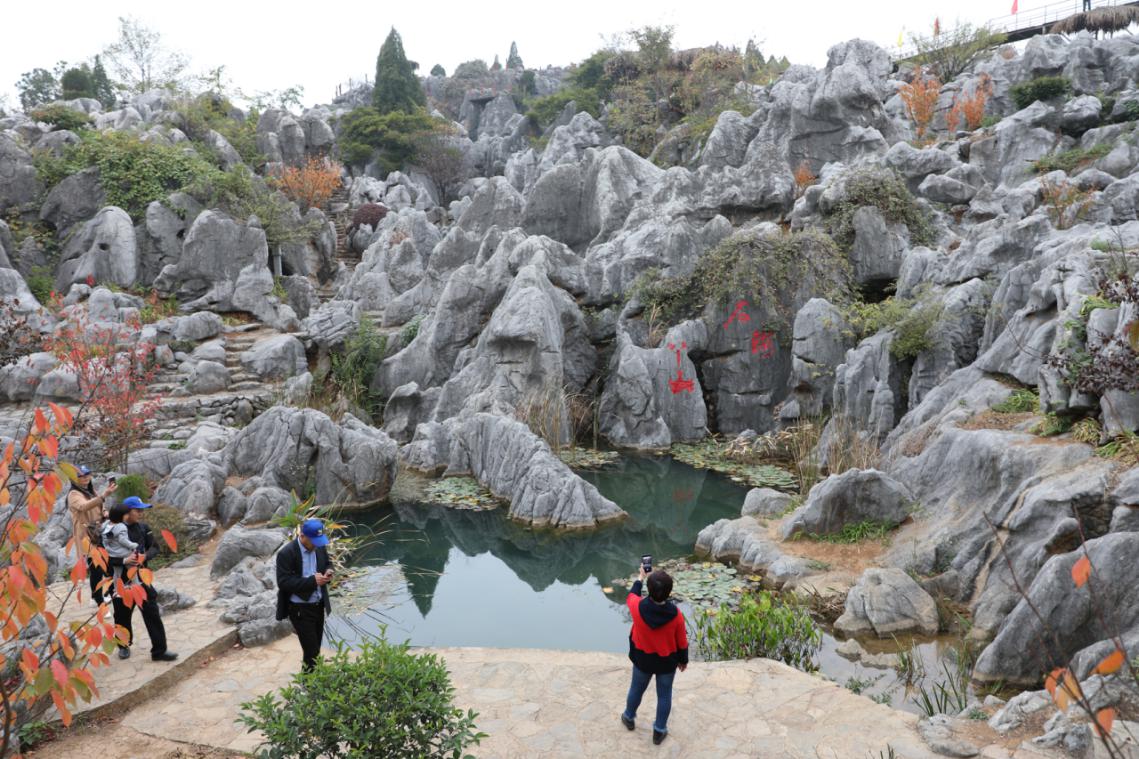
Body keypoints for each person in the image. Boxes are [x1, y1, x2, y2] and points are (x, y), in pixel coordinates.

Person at [620, 567, 688, 746]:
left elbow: (632, 595)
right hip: (666, 663)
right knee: (664, 695)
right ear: (669, 592)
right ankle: (659, 731)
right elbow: (682, 642)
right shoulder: (676, 616)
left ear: (648, 590)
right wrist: (683, 660)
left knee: (636, 689)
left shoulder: (637, 607)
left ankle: (628, 717)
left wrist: (641, 577)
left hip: (643, 660)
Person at [105, 498, 179, 662]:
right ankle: (123, 645)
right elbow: (104, 559)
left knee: (152, 613)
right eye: (137, 510)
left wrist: (145, 556)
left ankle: (159, 651)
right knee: (122, 616)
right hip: (121, 582)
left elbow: (155, 547)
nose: (141, 513)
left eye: (142, 510)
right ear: (126, 513)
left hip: (141, 579)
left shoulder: (144, 528)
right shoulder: (111, 531)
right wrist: (124, 561)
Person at [275, 518, 332, 672]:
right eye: (314, 541)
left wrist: (328, 571)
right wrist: (312, 581)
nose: (317, 544)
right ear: (302, 536)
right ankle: (308, 686)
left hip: (318, 605)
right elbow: (284, 582)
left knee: (315, 649)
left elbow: (327, 562)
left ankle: (312, 683)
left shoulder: (319, 547)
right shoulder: (286, 553)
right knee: (311, 652)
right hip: (300, 609)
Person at [67, 465, 116, 604]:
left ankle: (107, 592)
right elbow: (84, 506)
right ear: (74, 478)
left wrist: (104, 512)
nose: (85, 478)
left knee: (107, 563)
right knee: (96, 568)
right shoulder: (73, 494)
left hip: (98, 531)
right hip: (86, 536)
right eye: (81, 475)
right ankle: (98, 600)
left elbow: (99, 505)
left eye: (87, 474)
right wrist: (103, 495)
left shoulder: (90, 490)